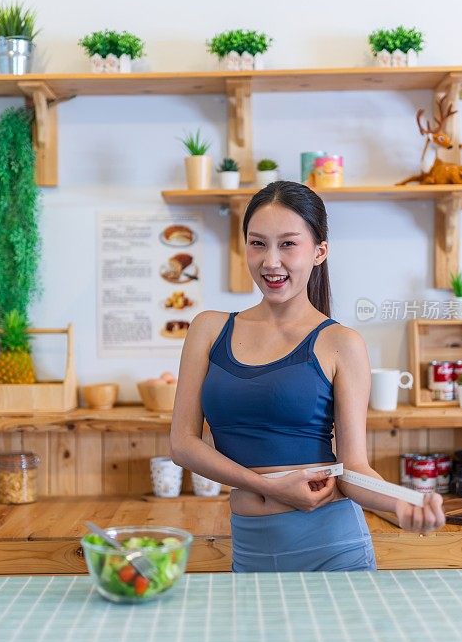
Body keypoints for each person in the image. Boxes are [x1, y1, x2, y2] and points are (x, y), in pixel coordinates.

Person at [170, 180, 445, 572]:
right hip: (251, 549)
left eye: (288, 244)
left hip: (332, 547)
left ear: (319, 252)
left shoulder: (341, 343)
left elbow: (352, 470)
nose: (270, 261)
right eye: (258, 243)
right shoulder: (209, 329)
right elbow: (182, 444)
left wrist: (401, 501)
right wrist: (266, 486)